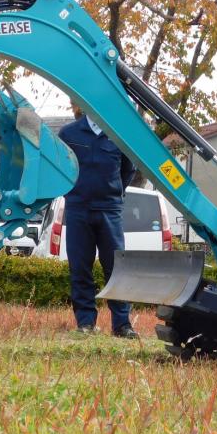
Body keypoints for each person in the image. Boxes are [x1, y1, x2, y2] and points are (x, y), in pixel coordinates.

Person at [58, 100, 139, 338]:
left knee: (116, 268)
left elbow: (128, 170)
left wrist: (113, 194)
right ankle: (85, 323)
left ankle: (122, 325)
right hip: (77, 208)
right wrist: (72, 193)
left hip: (109, 210)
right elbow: (60, 167)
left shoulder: (118, 135)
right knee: (80, 268)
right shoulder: (68, 133)